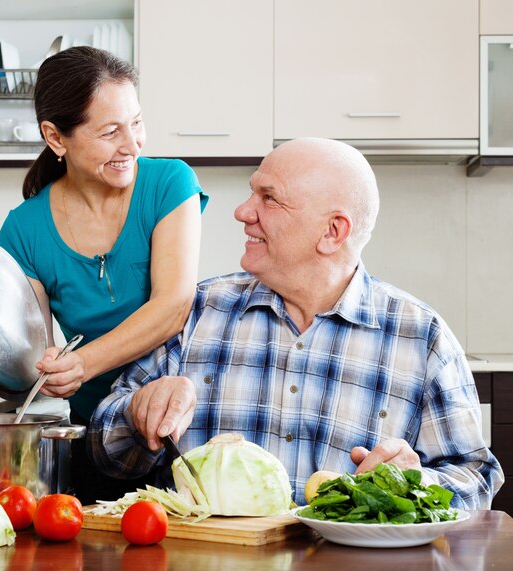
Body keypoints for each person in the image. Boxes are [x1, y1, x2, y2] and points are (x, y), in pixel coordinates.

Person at [88, 137, 504, 509]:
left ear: (332, 232)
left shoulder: (421, 337)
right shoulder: (196, 310)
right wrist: (133, 414)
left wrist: (412, 483)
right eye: (253, 192)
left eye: (269, 198)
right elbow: (105, 453)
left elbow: (476, 478)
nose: (242, 211)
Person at [0, 47, 208, 500]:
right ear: (56, 137)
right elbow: (31, 349)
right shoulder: (23, 229)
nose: (132, 144)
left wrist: (84, 363)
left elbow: (172, 306)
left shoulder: (170, 184)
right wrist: (48, 368)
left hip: (178, 430)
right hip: (94, 441)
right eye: (111, 131)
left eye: (136, 123)